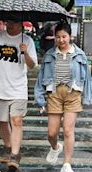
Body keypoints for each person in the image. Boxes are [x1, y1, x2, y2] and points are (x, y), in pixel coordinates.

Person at [34, 21, 92, 172]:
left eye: (64, 36)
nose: (61, 40)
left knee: (67, 130)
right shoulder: (49, 55)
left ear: (70, 36)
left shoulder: (79, 55)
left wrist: (87, 98)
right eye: (58, 37)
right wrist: (39, 100)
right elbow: (40, 79)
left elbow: (87, 78)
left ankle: (67, 164)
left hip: (73, 94)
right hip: (54, 95)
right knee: (52, 133)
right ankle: (55, 147)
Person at [0, 20, 37, 170]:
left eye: (14, 22)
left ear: (21, 24)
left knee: (16, 121)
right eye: (8, 21)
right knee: (2, 121)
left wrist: (25, 52)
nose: (10, 25)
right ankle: (8, 147)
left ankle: (15, 155)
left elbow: (32, 65)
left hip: (18, 89)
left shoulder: (27, 40)